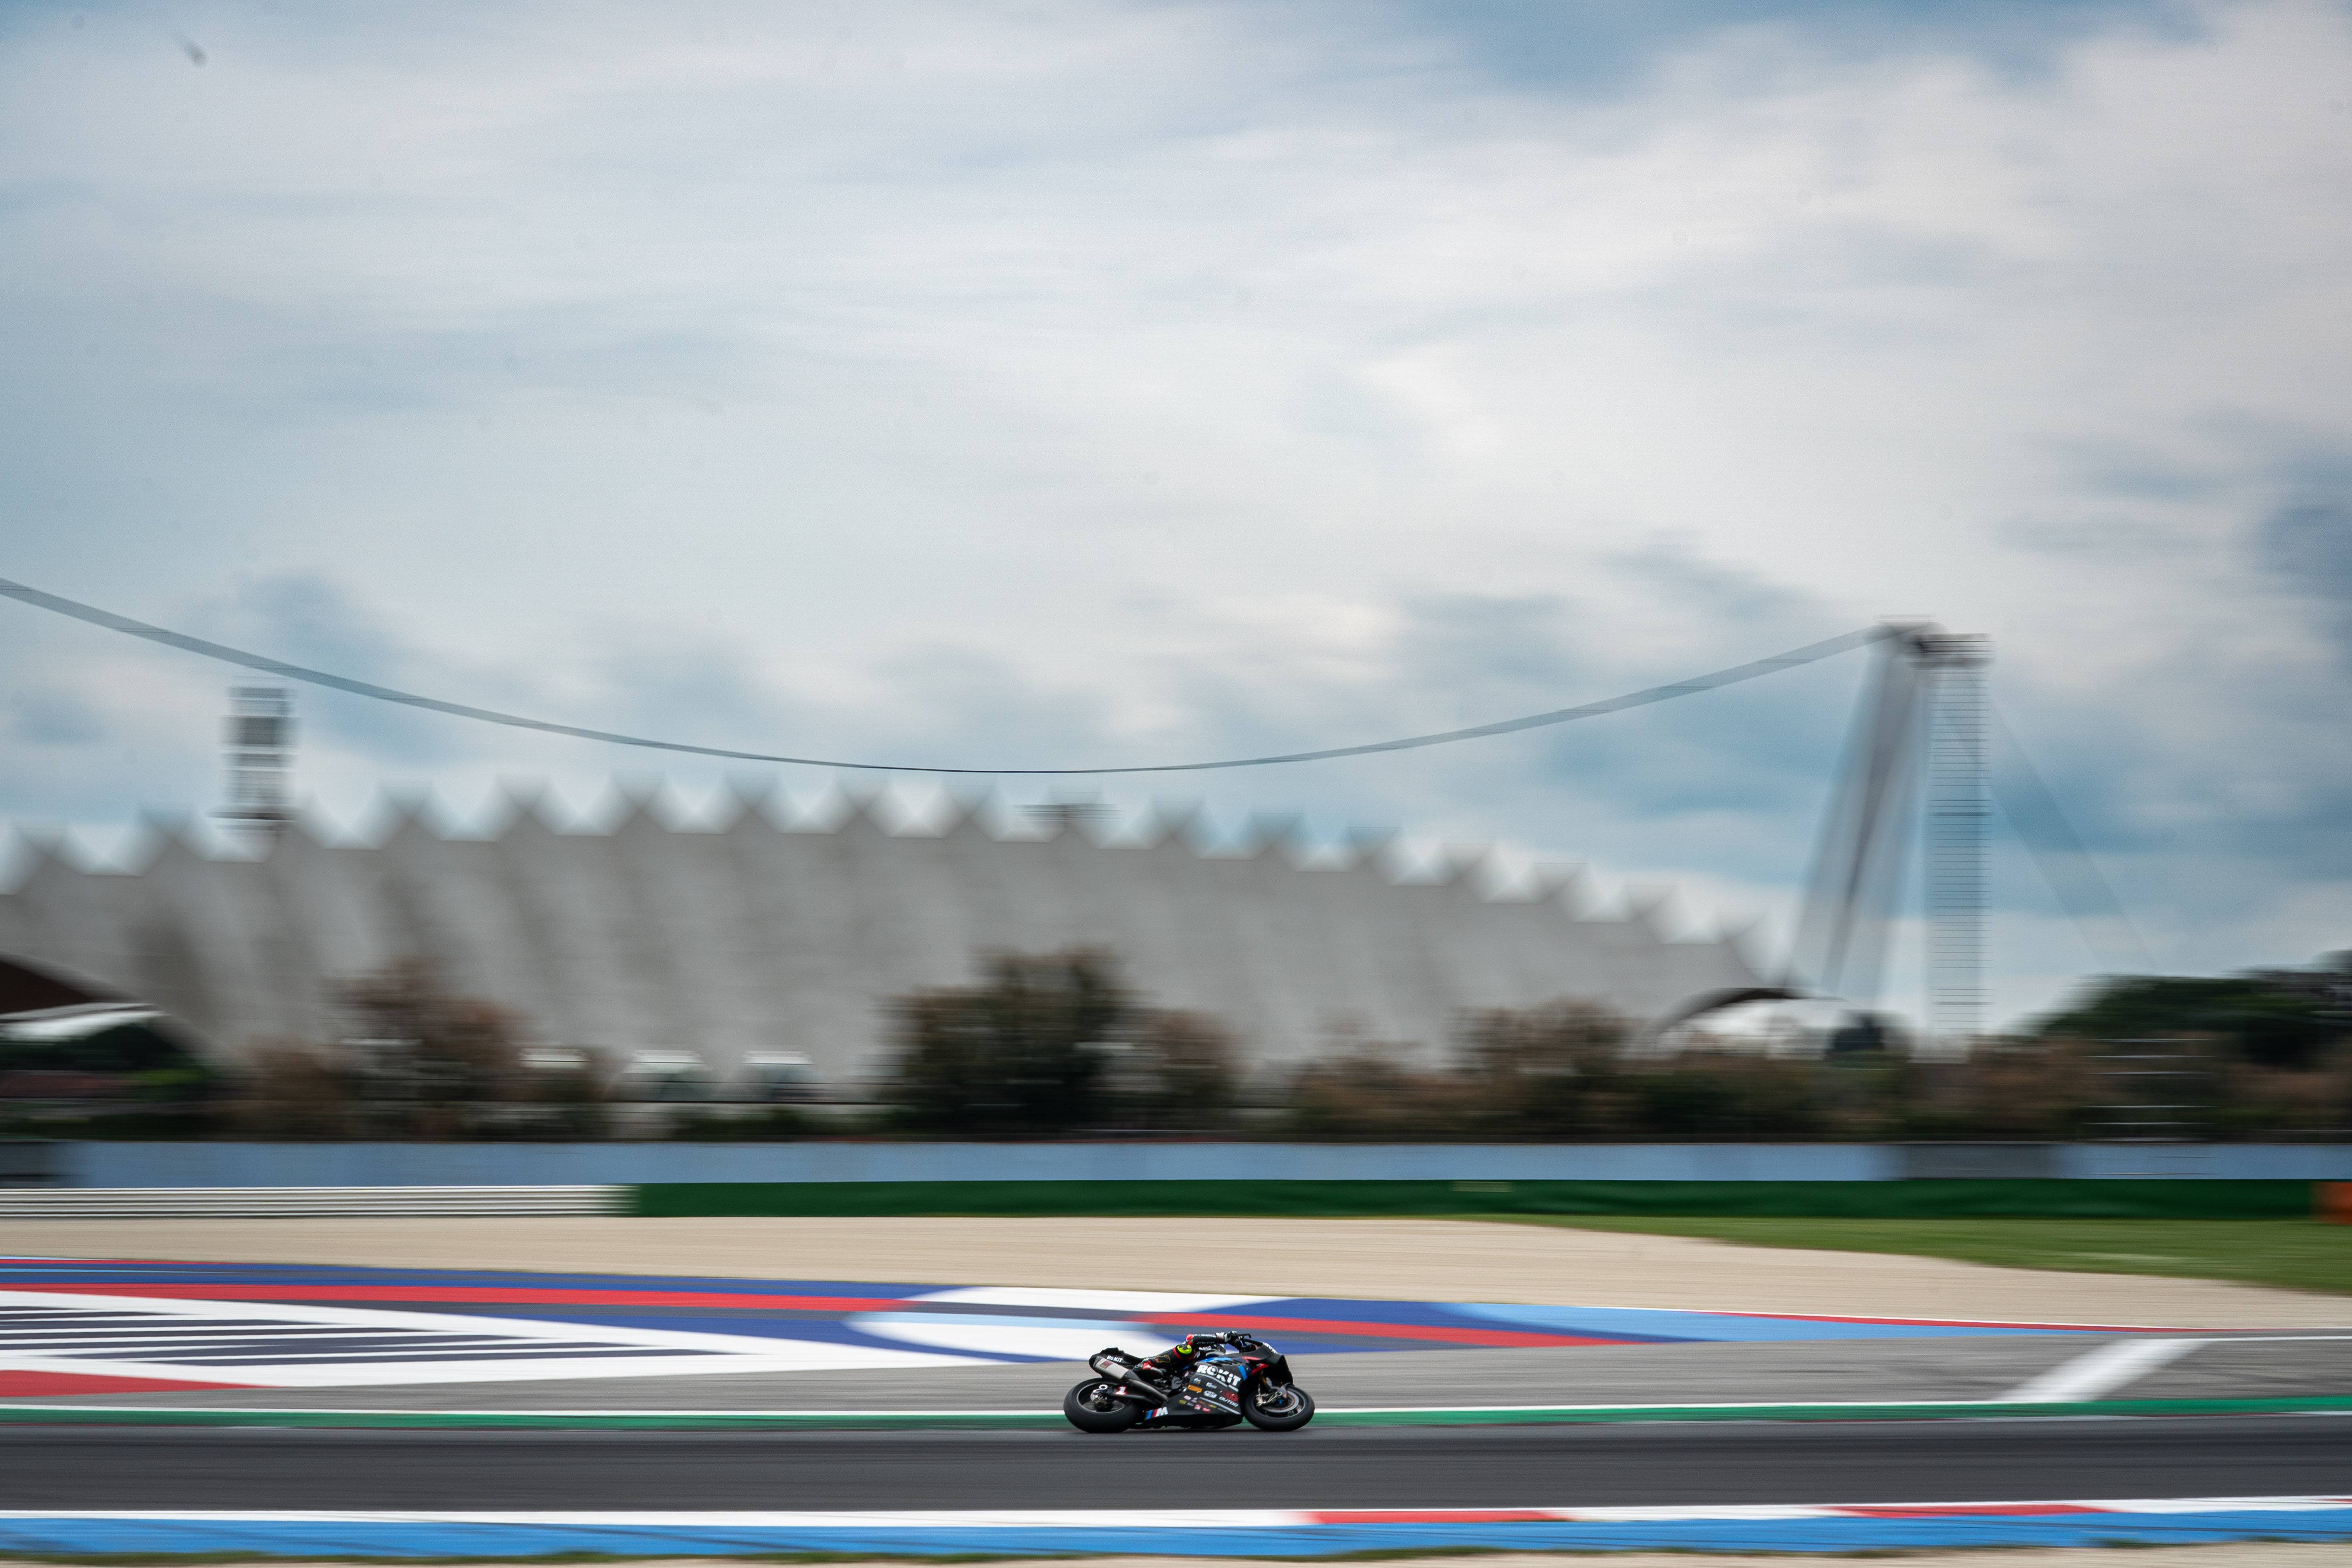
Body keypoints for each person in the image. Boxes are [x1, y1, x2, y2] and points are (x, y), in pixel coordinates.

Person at [1133, 1330, 1257, 1387]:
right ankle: (1148, 1363)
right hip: (1172, 1369)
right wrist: (1228, 1339)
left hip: (1187, 1383)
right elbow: (1192, 1339)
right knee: (1187, 1350)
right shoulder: (1197, 1348)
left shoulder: (1218, 1363)